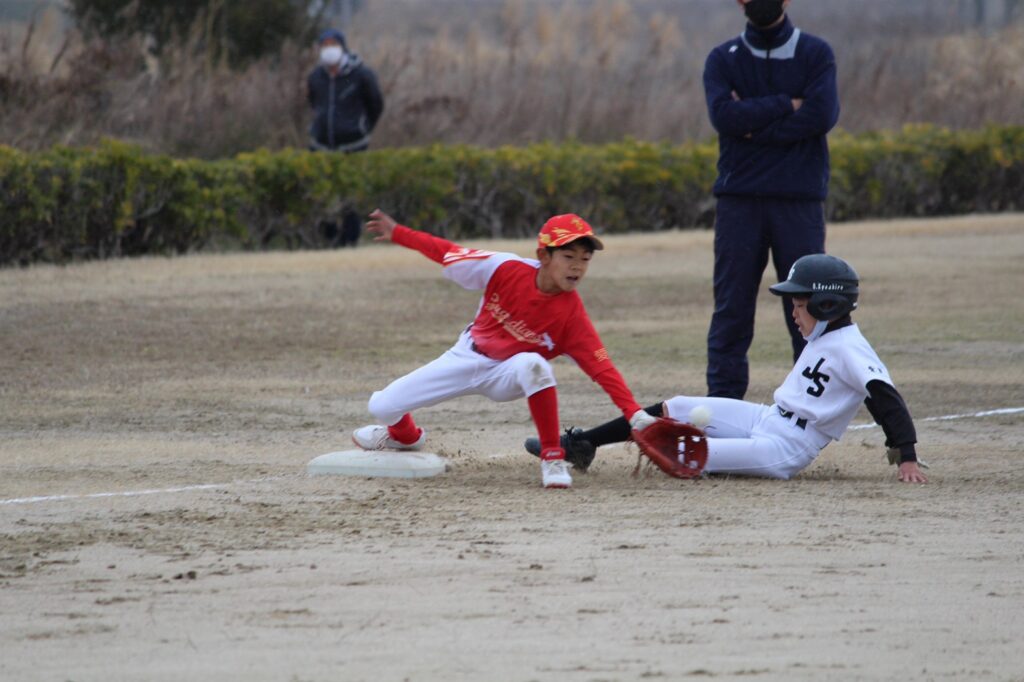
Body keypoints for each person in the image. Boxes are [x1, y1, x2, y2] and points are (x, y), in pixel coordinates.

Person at [524, 254, 929, 484]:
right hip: (768, 418)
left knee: (692, 454)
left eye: (799, 303)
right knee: (677, 406)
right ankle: (585, 444)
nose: (793, 311)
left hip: (786, 449)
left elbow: (884, 398)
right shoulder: (824, 337)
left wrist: (906, 454)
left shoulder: (851, 348)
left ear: (827, 305)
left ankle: (676, 451)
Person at [350, 210, 658, 489]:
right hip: (466, 356)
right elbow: (447, 252)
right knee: (382, 406)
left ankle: (552, 458)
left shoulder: (572, 317)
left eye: (585, 259)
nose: (577, 266)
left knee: (534, 364)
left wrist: (634, 413)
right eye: (568, 255)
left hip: (506, 375)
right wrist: (399, 233)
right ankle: (406, 437)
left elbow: (602, 367)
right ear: (544, 254)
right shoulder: (504, 268)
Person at [703, 0, 840, 399]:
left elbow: (821, 115)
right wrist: (786, 105)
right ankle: (723, 411)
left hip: (798, 202)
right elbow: (724, 118)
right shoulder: (721, 59)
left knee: (810, 308)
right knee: (731, 310)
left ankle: (809, 407)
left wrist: (753, 126)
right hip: (738, 203)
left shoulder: (816, 54)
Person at [307, 28, 384, 248]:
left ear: (342, 47)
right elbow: (313, 103)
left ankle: (350, 239)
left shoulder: (362, 75)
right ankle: (328, 238)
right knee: (323, 193)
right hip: (320, 145)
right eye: (324, 45)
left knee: (351, 194)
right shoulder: (316, 76)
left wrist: (362, 128)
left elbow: (376, 104)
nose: (328, 50)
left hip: (353, 145)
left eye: (333, 44)